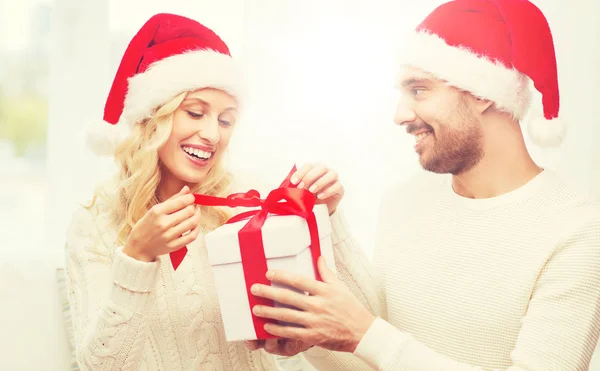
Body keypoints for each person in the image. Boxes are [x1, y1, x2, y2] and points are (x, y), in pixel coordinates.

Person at [246, 0, 600, 370]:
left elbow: (375, 340)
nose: (399, 115)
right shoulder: (405, 202)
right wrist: (315, 334)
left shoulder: (577, 230)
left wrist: (364, 335)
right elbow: (375, 358)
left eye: (418, 90)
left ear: (482, 92)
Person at [64, 13, 347, 371]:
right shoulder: (94, 224)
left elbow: (337, 347)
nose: (213, 135)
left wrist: (325, 220)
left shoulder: (251, 202)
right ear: (151, 118)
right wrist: (138, 256)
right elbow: (99, 366)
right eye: (195, 113)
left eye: (225, 120)